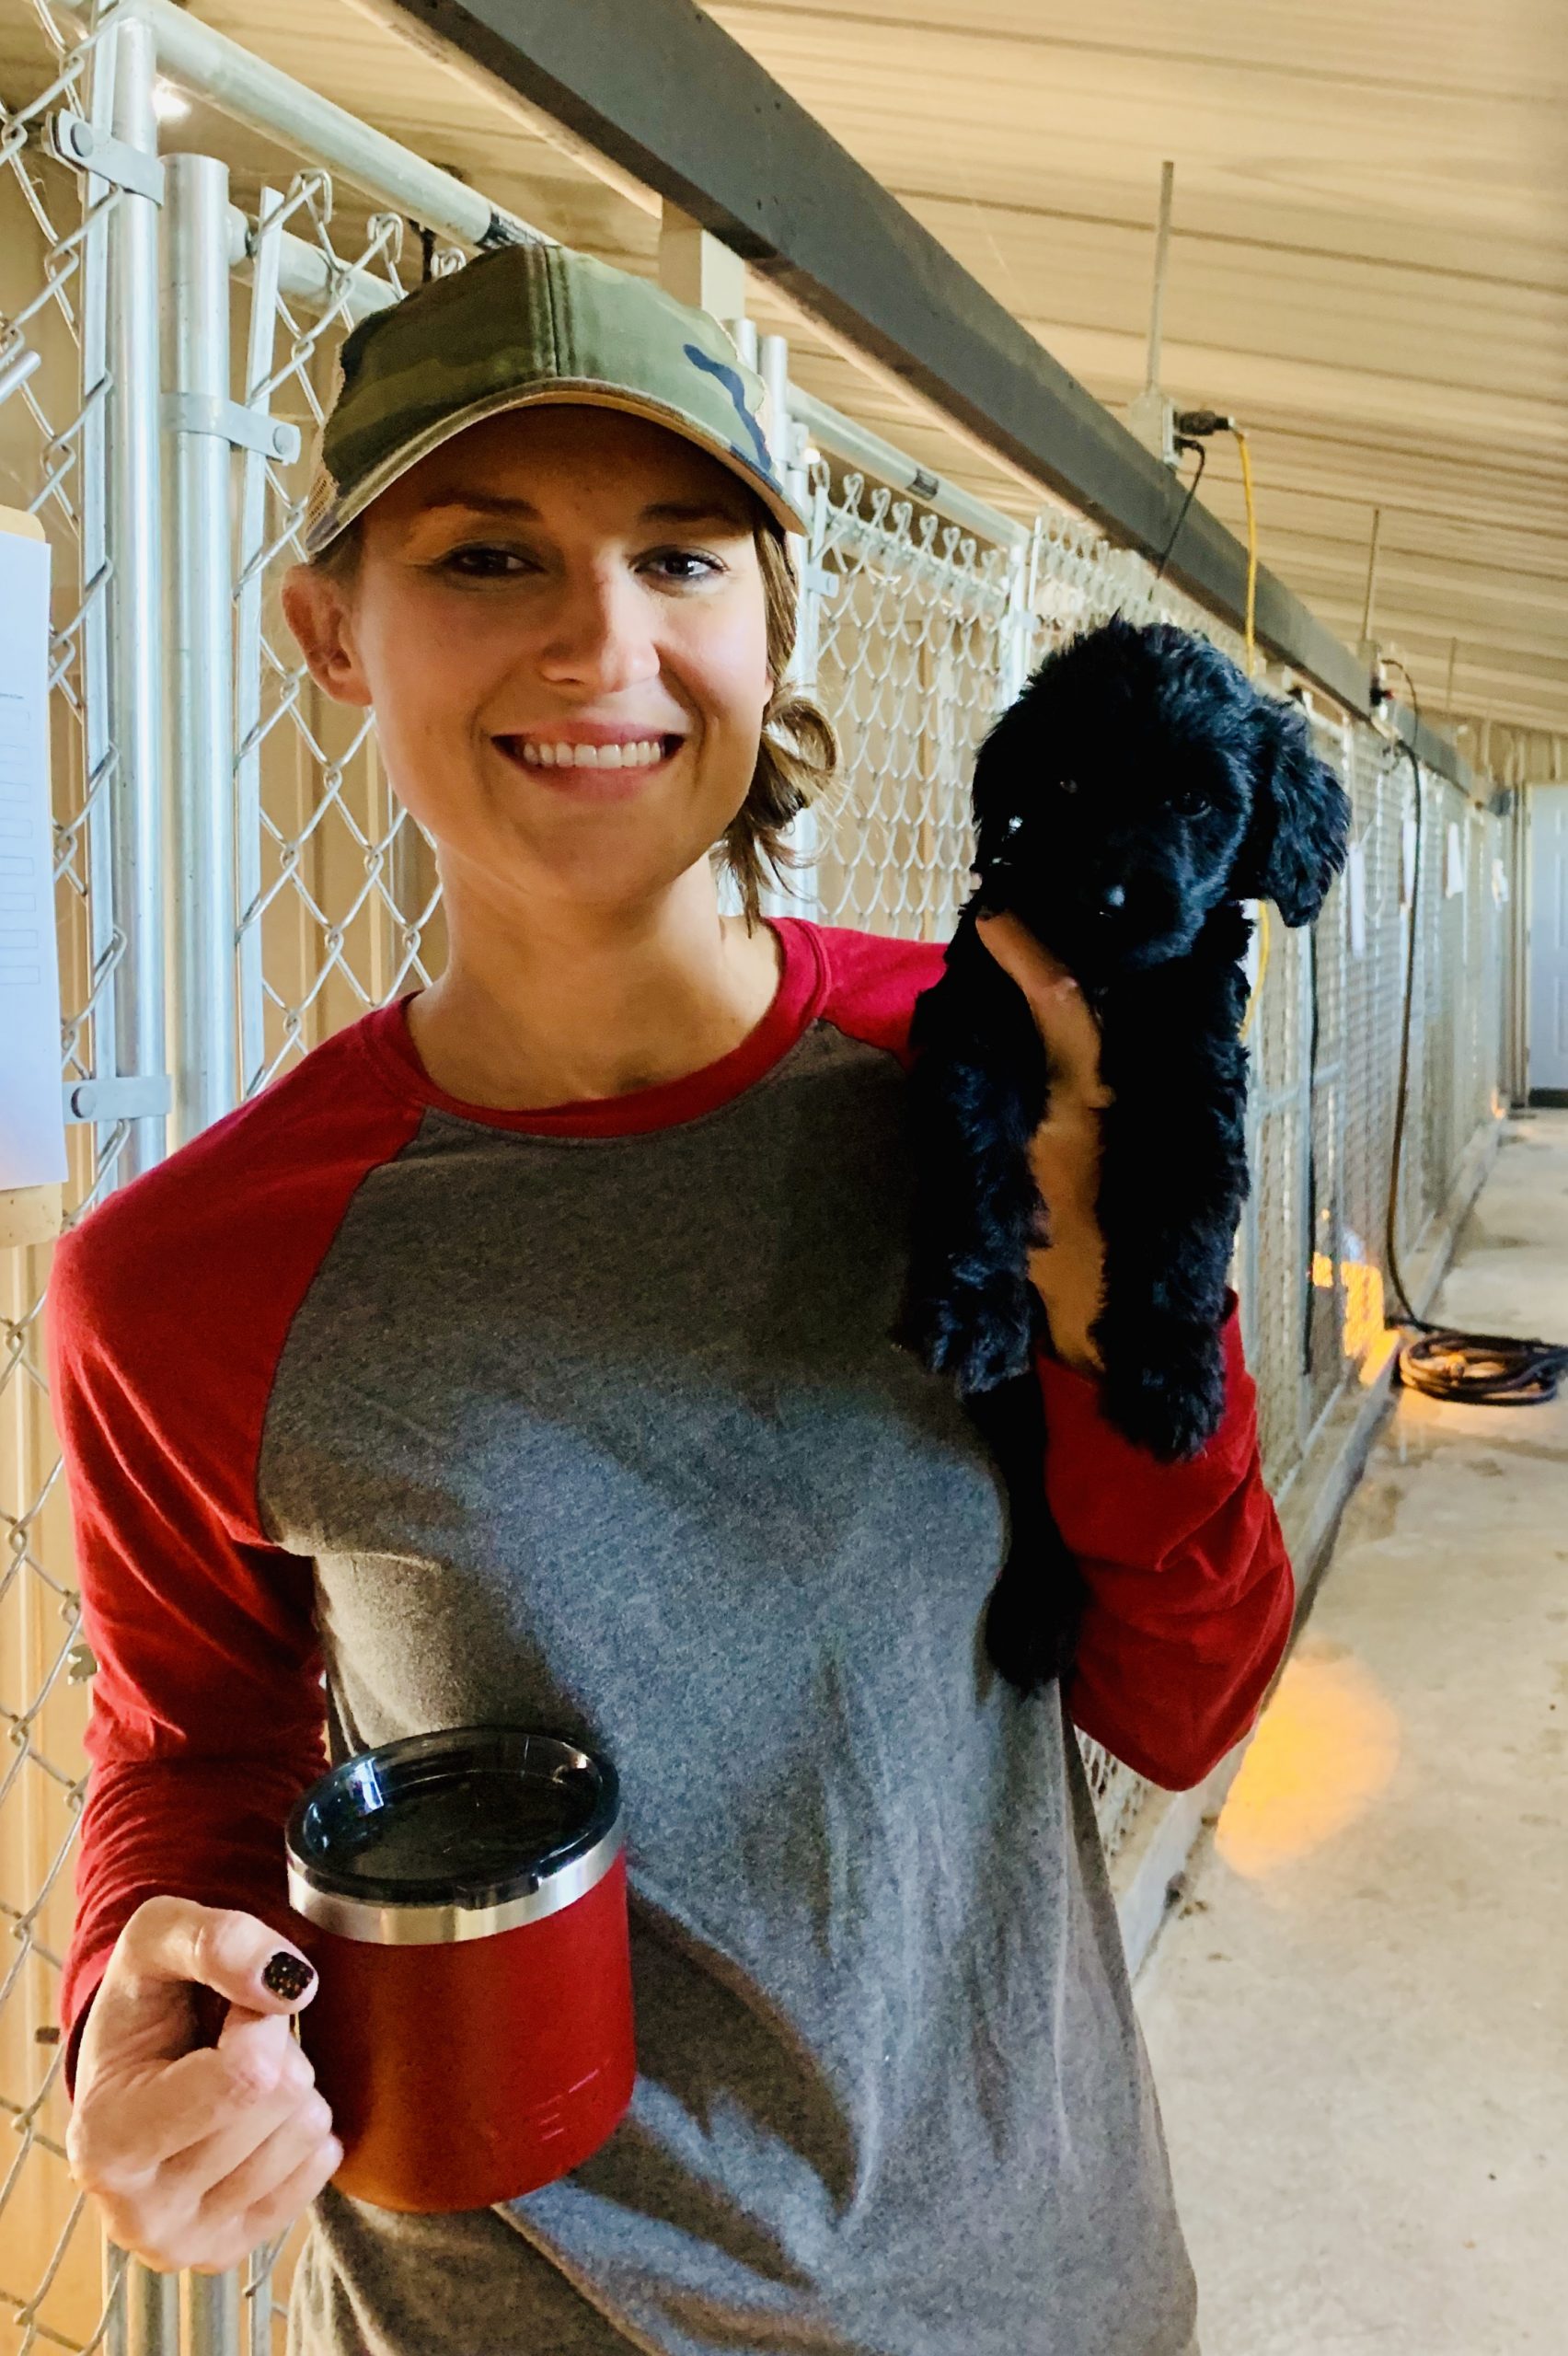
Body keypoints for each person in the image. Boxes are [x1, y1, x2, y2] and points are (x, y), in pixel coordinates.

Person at [47, 242, 1292, 2356]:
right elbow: (196, 1742)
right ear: (330, 629)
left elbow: (1184, 1696)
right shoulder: (189, 1275)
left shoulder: (1001, 1081)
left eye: (683, 556)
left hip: (1032, 2282)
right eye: (488, 555)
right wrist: (137, 1987)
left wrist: (1120, 1316)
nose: (603, 639)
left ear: (771, 623)